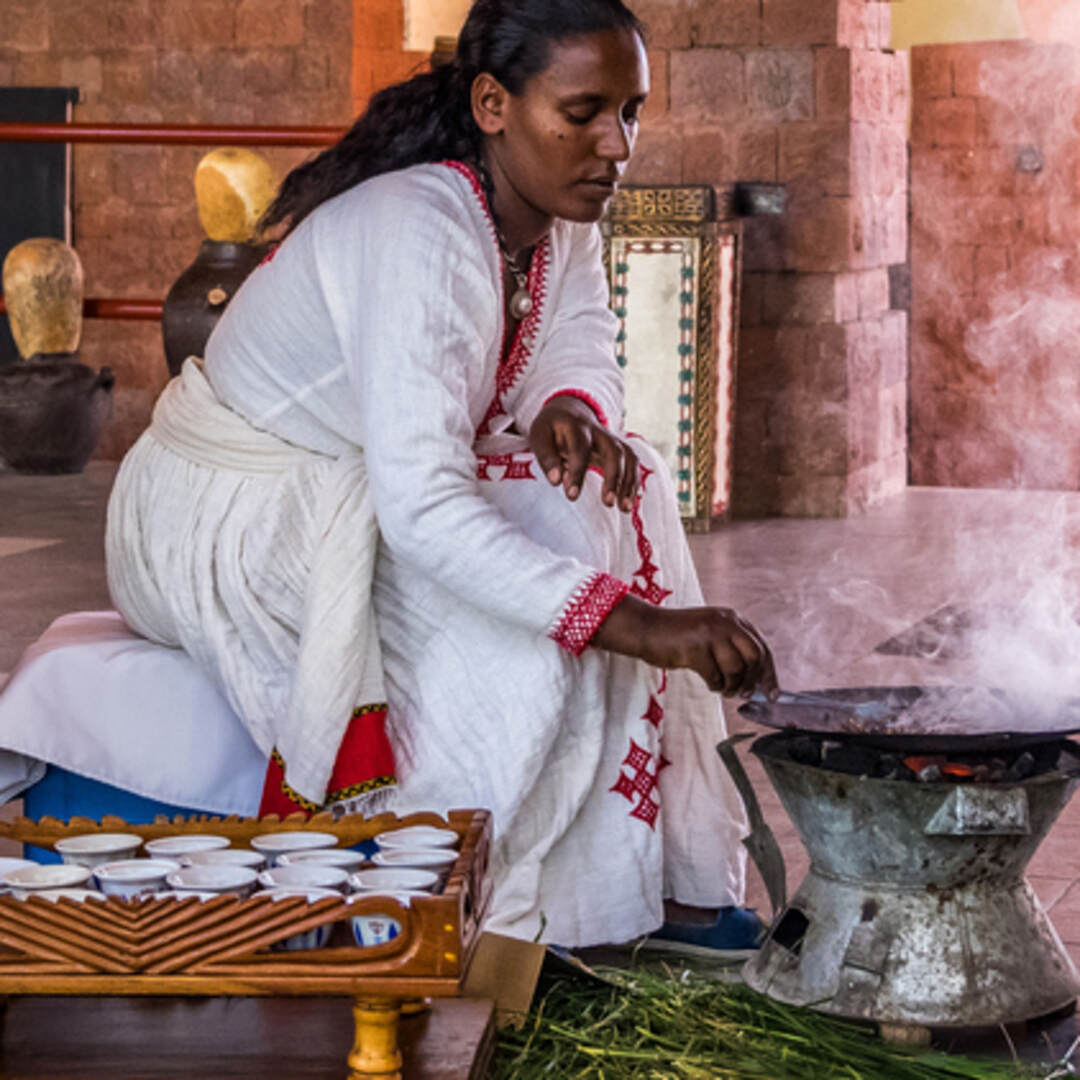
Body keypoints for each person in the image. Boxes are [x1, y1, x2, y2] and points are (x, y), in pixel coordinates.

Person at [105, 0, 779, 949]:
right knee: (539, 592)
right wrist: (639, 626)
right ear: (494, 103)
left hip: (345, 484)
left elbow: (581, 334)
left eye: (631, 112)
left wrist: (569, 410)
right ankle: (476, 907)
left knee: (629, 484)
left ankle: (647, 887)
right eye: (583, 111)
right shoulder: (419, 227)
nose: (615, 144)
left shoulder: (556, 212)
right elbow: (422, 511)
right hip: (223, 514)